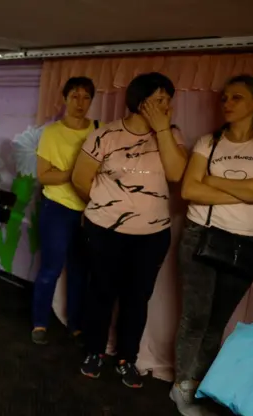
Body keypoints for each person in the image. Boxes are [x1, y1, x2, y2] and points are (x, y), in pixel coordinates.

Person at [72, 72, 188, 388]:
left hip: (151, 236)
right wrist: (106, 209)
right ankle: (94, 351)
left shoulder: (173, 135)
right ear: (140, 101)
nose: (167, 106)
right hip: (104, 231)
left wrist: (162, 129)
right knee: (101, 292)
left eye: (169, 100)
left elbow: (177, 174)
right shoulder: (105, 135)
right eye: (160, 100)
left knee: (137, 298)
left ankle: (127, 358)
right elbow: (81, 180)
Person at [171, 75, 253, 415]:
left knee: (217, 321)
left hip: (246, 243)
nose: (228, 103)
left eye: (238, 98)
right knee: (195, 318)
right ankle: (182, 386)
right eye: (225, 98)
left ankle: (201, 382)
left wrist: (211, 181)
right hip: (202, 234)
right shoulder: (208, 142)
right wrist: (246, 188)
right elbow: (189, 191)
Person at [32, 76, 100, 345]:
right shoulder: (51, 132)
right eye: (75, 96)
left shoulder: (99, 129)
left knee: (80, 270)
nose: (80, 102)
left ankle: (75, 323)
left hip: (90, 210)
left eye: (86, 97)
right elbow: (44, 176)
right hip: (57, 208)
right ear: (65, 99)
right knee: (51, 268)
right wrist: (76, 173)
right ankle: (40, 322)